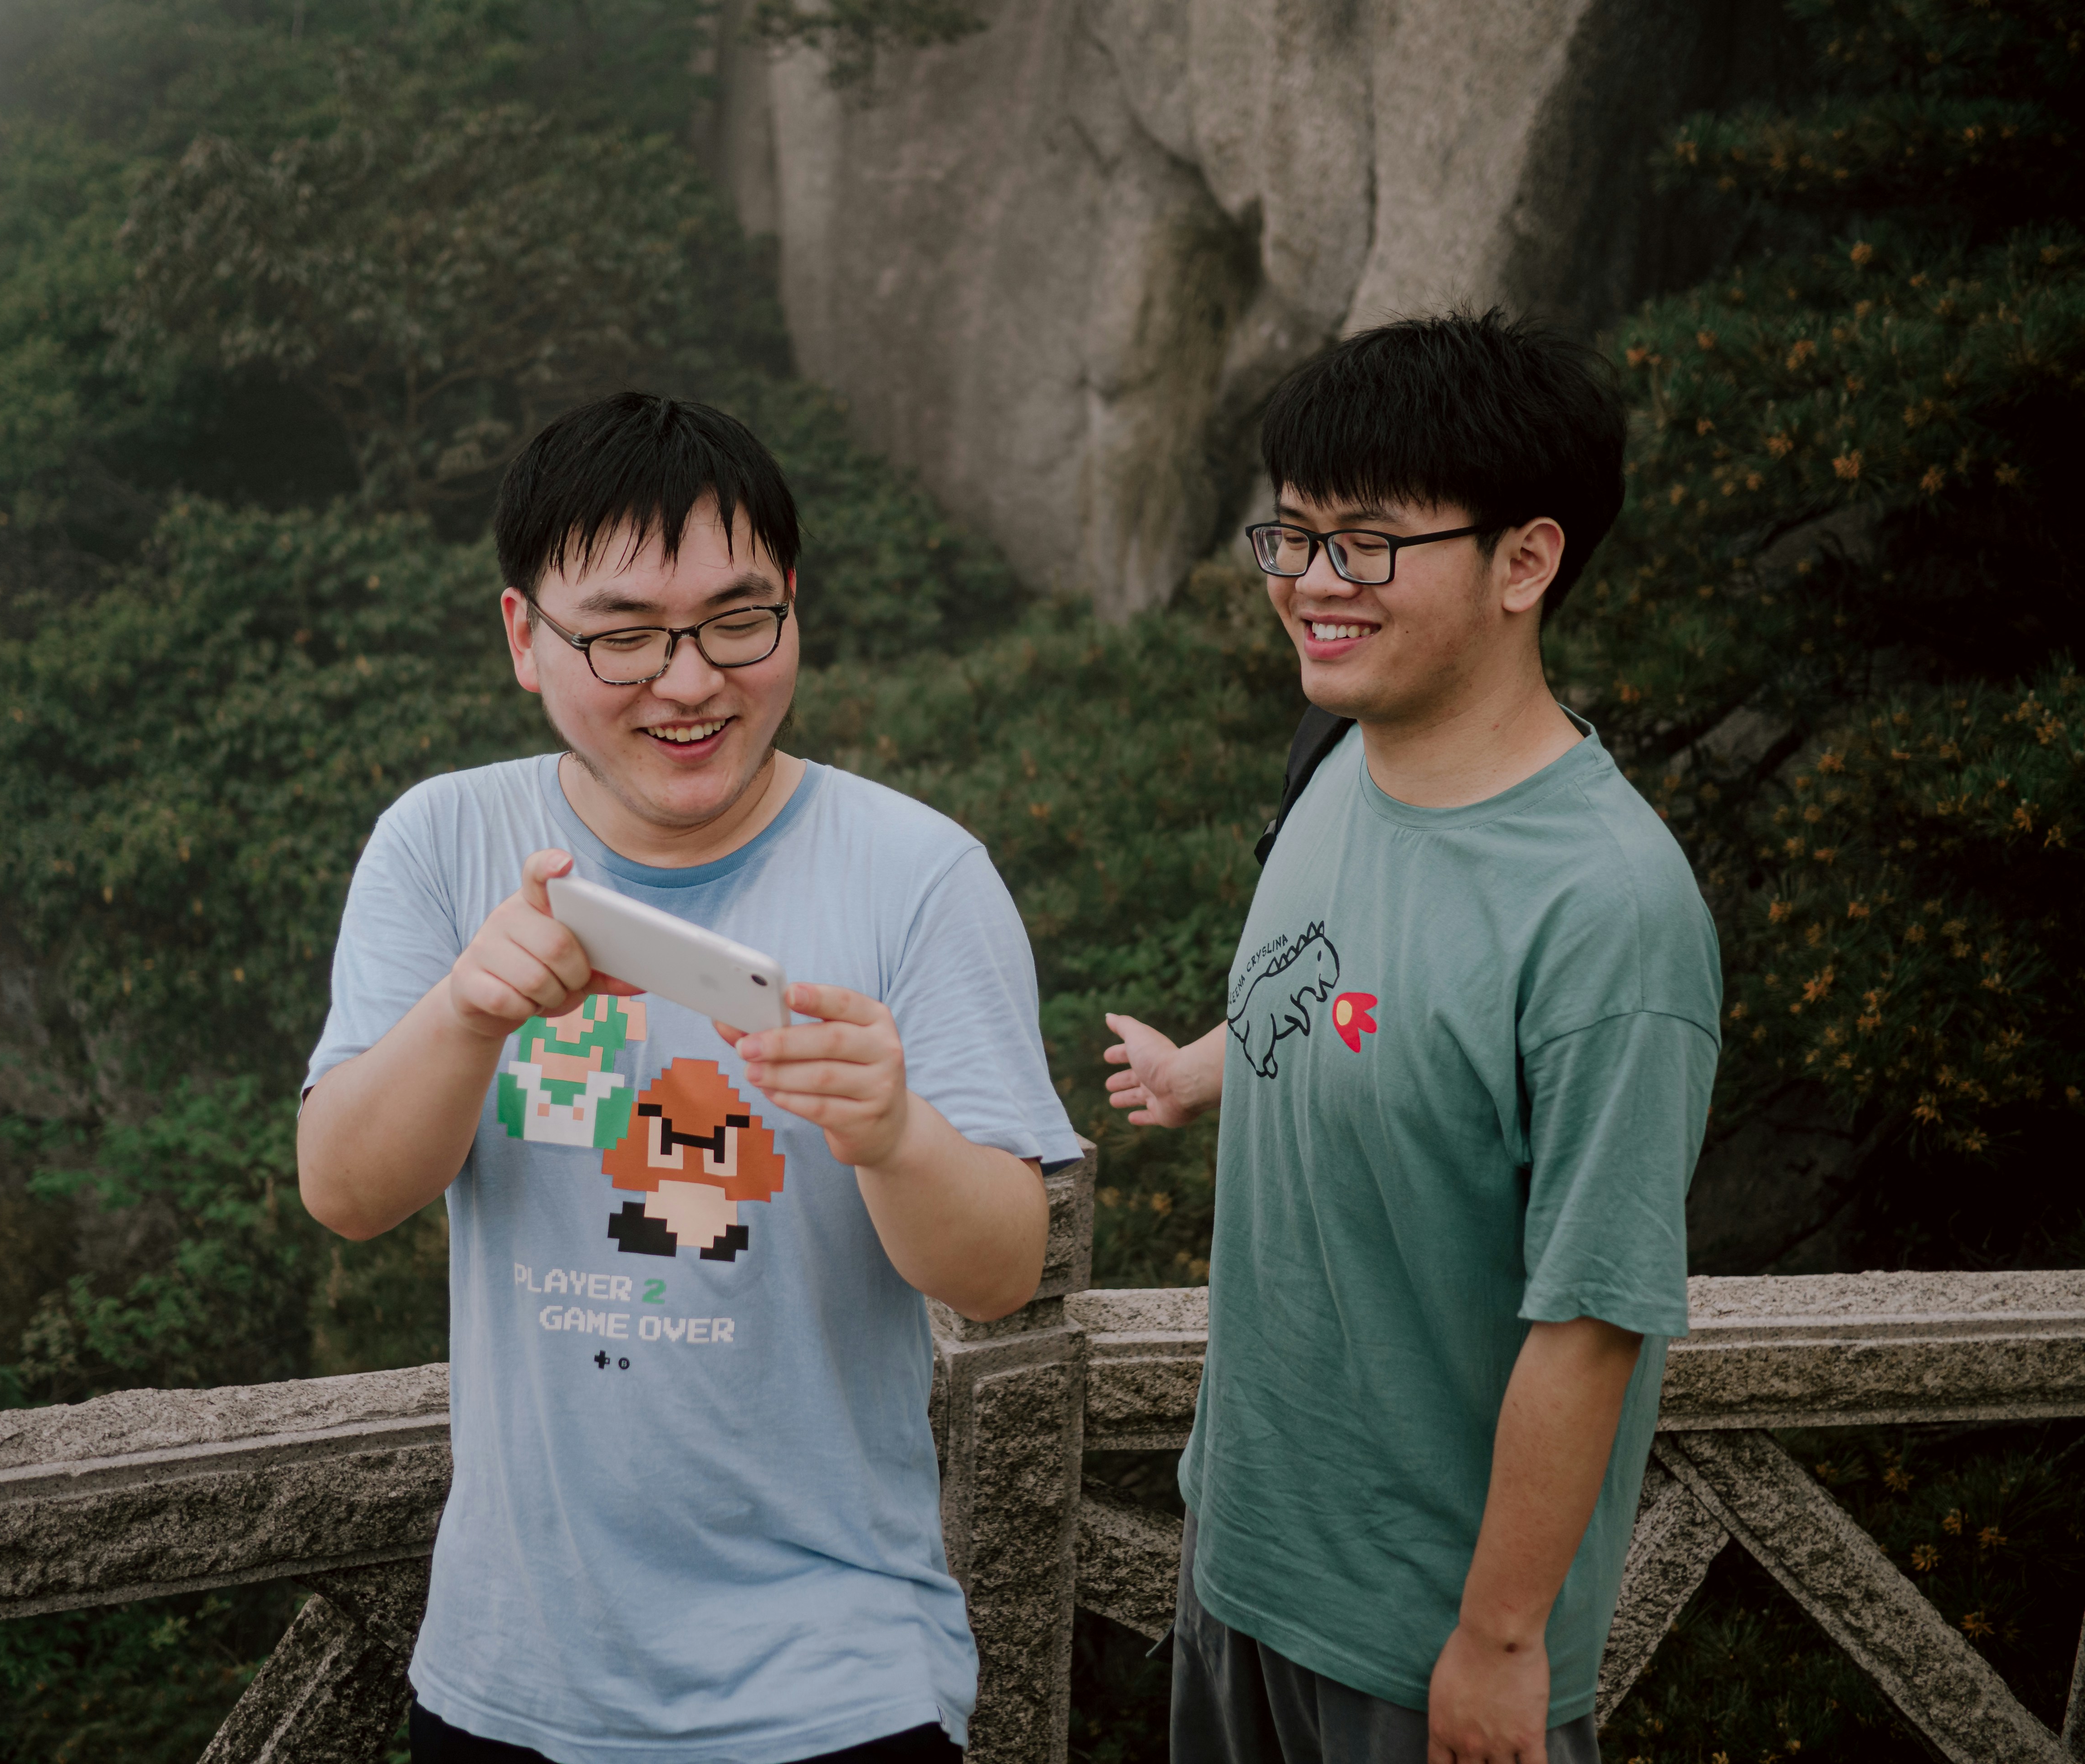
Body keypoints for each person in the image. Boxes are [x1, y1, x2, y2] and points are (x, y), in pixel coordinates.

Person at [299, 392, 1081, 1764]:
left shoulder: (920, 878)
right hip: (511, 1676)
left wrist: (894, 1133)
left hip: (838, 1688)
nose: (690, 679)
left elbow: (1003, 1270)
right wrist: (470, 1014)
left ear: (793, 608)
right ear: (524, 640)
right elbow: (348, 1191)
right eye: (622, 635)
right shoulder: (443, 842)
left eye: (737, 620)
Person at [1104, 311, 1722, 1764]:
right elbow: (1343, 977)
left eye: (1368, 544)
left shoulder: (1608, 913)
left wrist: (1503, 1643)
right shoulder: (1343, 756)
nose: (1316, 587)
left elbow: (1596, 1314)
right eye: (1295, 537)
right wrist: (1205, 1068)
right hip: (1240, 1553)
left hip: (1424, 1635)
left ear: (1526, 560)